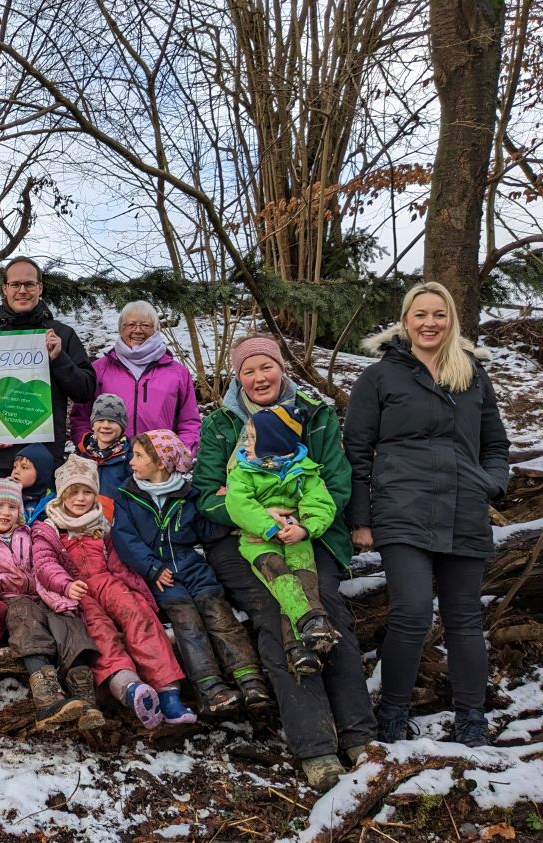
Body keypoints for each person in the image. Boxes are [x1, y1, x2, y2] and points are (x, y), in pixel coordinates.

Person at [192, 334, 377, 791]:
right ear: (237, 378)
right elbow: (207, 494)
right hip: (243, 541)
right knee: (277, 612)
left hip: (310, 533)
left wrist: (300, 523)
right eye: (248, 371)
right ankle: (315, 746)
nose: (259, 378)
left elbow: (335, 478)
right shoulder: (221, 425)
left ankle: (359, 736)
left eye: (266, 368)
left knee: (328, 610)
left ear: (281, 369)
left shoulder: (316, 414)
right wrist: (252, 517)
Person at [344, 283, 509, 748]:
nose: (429, 323)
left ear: (451, 319)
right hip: (401, 508)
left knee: (463, 618)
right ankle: (393, 711)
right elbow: (355, 451)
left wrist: (491, 482)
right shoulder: (379, 377)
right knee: (413, 613)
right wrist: (361, 519)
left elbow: (496, 445)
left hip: (464, 508)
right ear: (405, 320)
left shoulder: (471, 373)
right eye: (420, 314)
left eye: (439, 314)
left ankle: (472, 716)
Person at [113, 430, 270, 715]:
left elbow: (207, 529)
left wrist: (229, 506)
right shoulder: (128, 494)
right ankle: (211, 689)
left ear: (161, 462)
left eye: (138, 456)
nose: (131, 461)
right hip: (160, 574)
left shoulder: (188, 494)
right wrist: (151, 567)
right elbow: (125, 538)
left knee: (219, 614)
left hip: (192, 566)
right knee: (188, 623)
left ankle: (250, 680)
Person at [33, 455, 197, 728]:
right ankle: (129, 686)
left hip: (108, 581)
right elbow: (44, 563)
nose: (81, 498)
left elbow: (120, 560)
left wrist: (139, 586)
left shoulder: (103, 524)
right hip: (77, 589)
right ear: (62, 495)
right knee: (98, 629)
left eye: (87, 492)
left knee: (138, 614)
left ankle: (168, 691)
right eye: (74, 492)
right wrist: (65, 584)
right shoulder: (49, 528)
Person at [0, 478, 104, 732]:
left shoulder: (28, 534)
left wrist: (59, 594)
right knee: (24, 616)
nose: (6, 513)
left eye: (12, 507)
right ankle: (47, 698)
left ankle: (84, 696)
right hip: (11, 601)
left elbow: (43, 565)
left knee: (67, 619)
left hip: (43, 594)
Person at [0, 257, 97, 508]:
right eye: (15, 284)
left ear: (40, 287)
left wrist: (60, 359)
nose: (22, 291)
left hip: (42, 458)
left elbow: (85, 389)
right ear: (5, 289)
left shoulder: (61, 334)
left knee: (40, 539)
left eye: (29, 284)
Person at [226, 407, 340, 674]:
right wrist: (268, 528)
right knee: (280, 577)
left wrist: (305, 528)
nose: (246, 443)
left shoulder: (305, 472)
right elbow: (238, 504)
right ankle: (312, 621)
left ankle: (300, 649)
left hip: (297, 537)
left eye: (253, 438)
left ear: (273, 440)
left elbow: (321, 504)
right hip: (259, 540)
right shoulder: (243, 471)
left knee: (305, 581)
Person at [69, 300, 201, 453]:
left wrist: (180, 452)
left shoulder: (177, 372)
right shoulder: (99, 369)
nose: (138, 330)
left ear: (156, 329)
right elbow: (80, 417)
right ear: (120, 328)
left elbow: (189, 421)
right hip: (108, 463)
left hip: (158, 465)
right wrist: (90, 449)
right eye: (131, 325)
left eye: (145, 325)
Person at [73, 393, 132, 501]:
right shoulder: (82, 455)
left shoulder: (130, 457)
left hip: (117, 515)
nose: (105, 426)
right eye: (100, 420)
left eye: (112, 421)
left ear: (122, 426)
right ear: (92, 425)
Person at [11, 444, 57, 526]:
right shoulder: (6, 496)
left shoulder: (52, 502)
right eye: (15, 467)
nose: (16, 472)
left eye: (24, 467)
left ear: (41, 473)